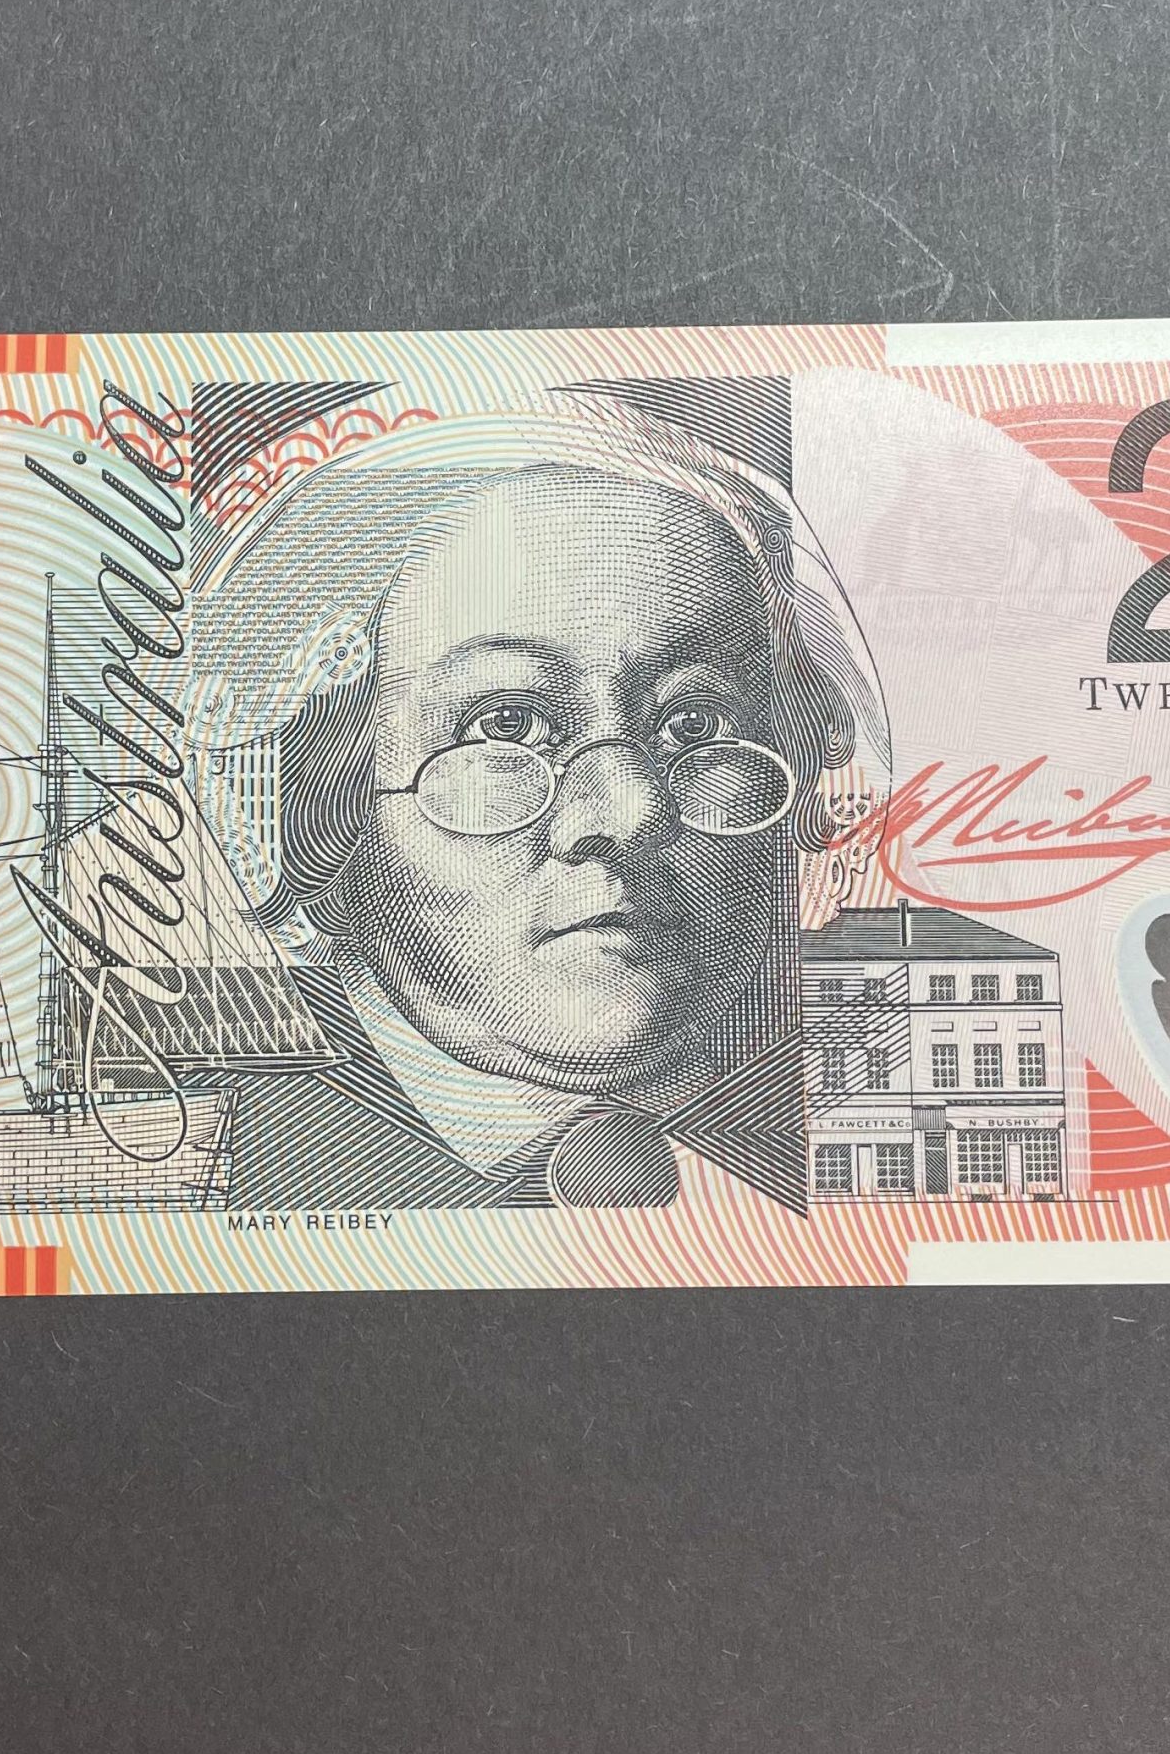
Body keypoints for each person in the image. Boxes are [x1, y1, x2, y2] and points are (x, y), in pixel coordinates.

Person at [185, 395, 887, 1209]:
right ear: (321, 790)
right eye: (509, 724)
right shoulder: (197, 1143)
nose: (629, 809)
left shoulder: (848, 1129)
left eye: (693, 723)